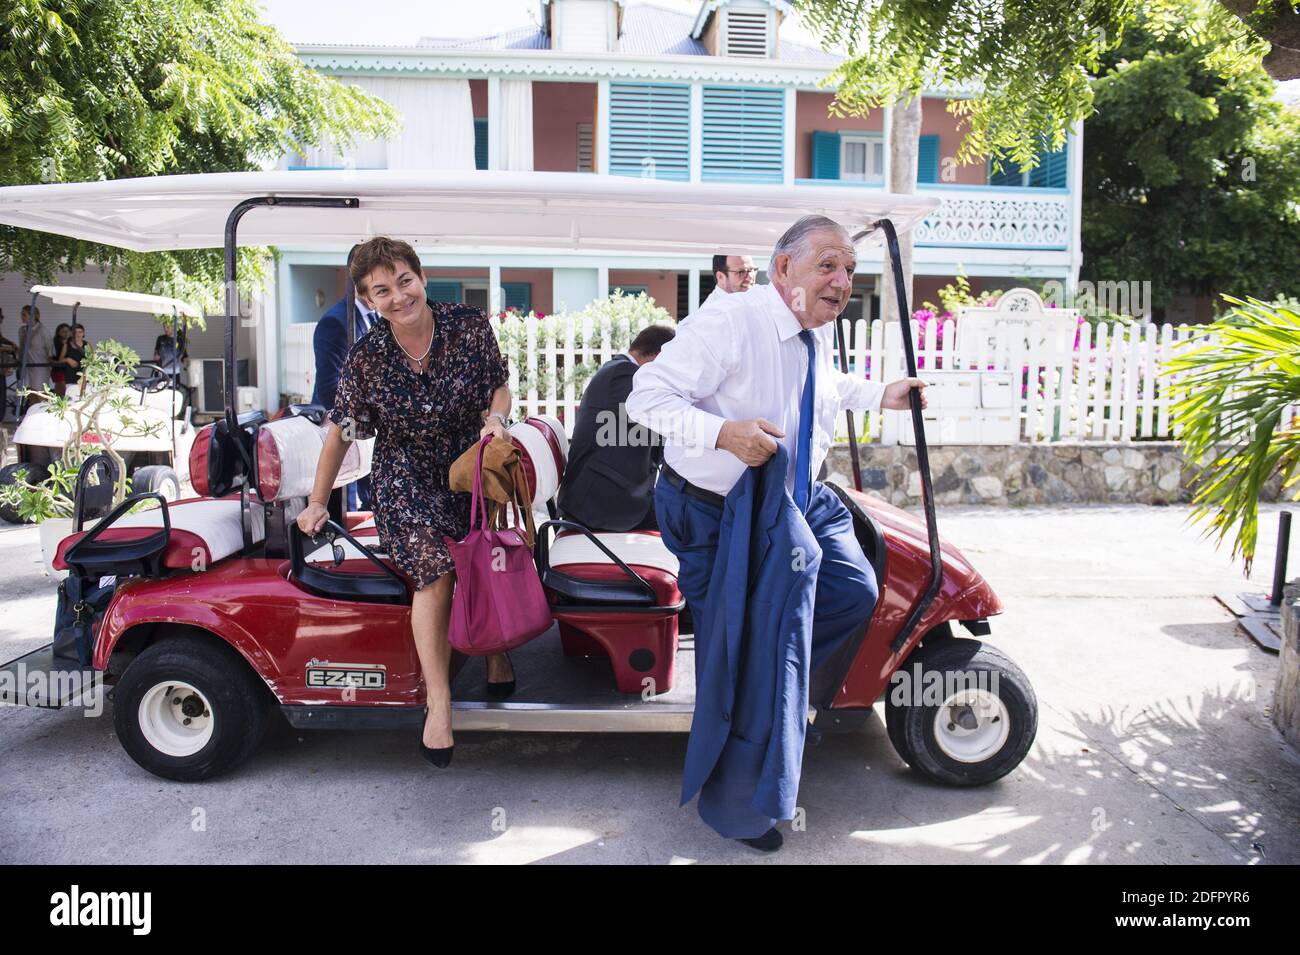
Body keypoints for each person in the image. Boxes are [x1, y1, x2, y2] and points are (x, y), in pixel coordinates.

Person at [626, 214, 927, 852]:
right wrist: (723, 433)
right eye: (828, 265)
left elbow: (823, 392)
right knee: (736, 644)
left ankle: (779, 711)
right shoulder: (731, 321)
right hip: (714, 510)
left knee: (851, 592)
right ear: (782, 268)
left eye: (849, 269)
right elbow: (645, 396)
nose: (842, 280)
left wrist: (884, 395)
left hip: (791, 499)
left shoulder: (812, 328)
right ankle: (736, 797)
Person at [296, 236, 516, 770]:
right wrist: (318, 500)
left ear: (420, 277)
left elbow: (499, 387)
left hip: (468, 468)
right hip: (404, 480)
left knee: (482, 555)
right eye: (381, 290)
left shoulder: (467, 325)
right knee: (437, 571)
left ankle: (495, 649)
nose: (397, 295)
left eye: (404, 280)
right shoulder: (367, 358)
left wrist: (497, 419)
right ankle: (439, 705)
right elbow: (343, 431)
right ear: (367, 302)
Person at [557, 324, 676, 532]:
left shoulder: (619, 371)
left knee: (680, 513)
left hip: (615, 493)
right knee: (683, 523)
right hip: (599, 504)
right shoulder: (622, 375)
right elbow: (661, 420)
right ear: (659, 358)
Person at [312, 244, 380, 509]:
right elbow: (329, 389)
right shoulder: (336, 323)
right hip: (343, 427)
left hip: (368, 428)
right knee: (347, 502)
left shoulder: (377, 318)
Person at [17, 305, 52, 404]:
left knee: (40, 394)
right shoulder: (22, 330)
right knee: (30, 394)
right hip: (27, 366)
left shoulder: (43, 331)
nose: (22, 317)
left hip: (40, 367)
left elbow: (50, 350)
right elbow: (22, 348)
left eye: (24, 315)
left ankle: (45, 416)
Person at [58, 323, 87, 389]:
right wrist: (68, 359)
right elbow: (60, 359)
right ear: (71, 333)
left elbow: (92, 360)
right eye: (75, 332)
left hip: (84, 377)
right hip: (70, 377)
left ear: (83, 333)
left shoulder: (87, 345)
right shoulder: (67, 345)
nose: (77, 334)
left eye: (80, 332)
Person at [50, 323, 71, 395]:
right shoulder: (55, 343)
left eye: (68, 331)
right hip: (58, 370)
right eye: (63, 331)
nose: (66, 333)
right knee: (60, 391)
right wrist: (59, 362)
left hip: (68, 371)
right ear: (58, 333)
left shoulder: (71, 343)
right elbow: (50, 357)